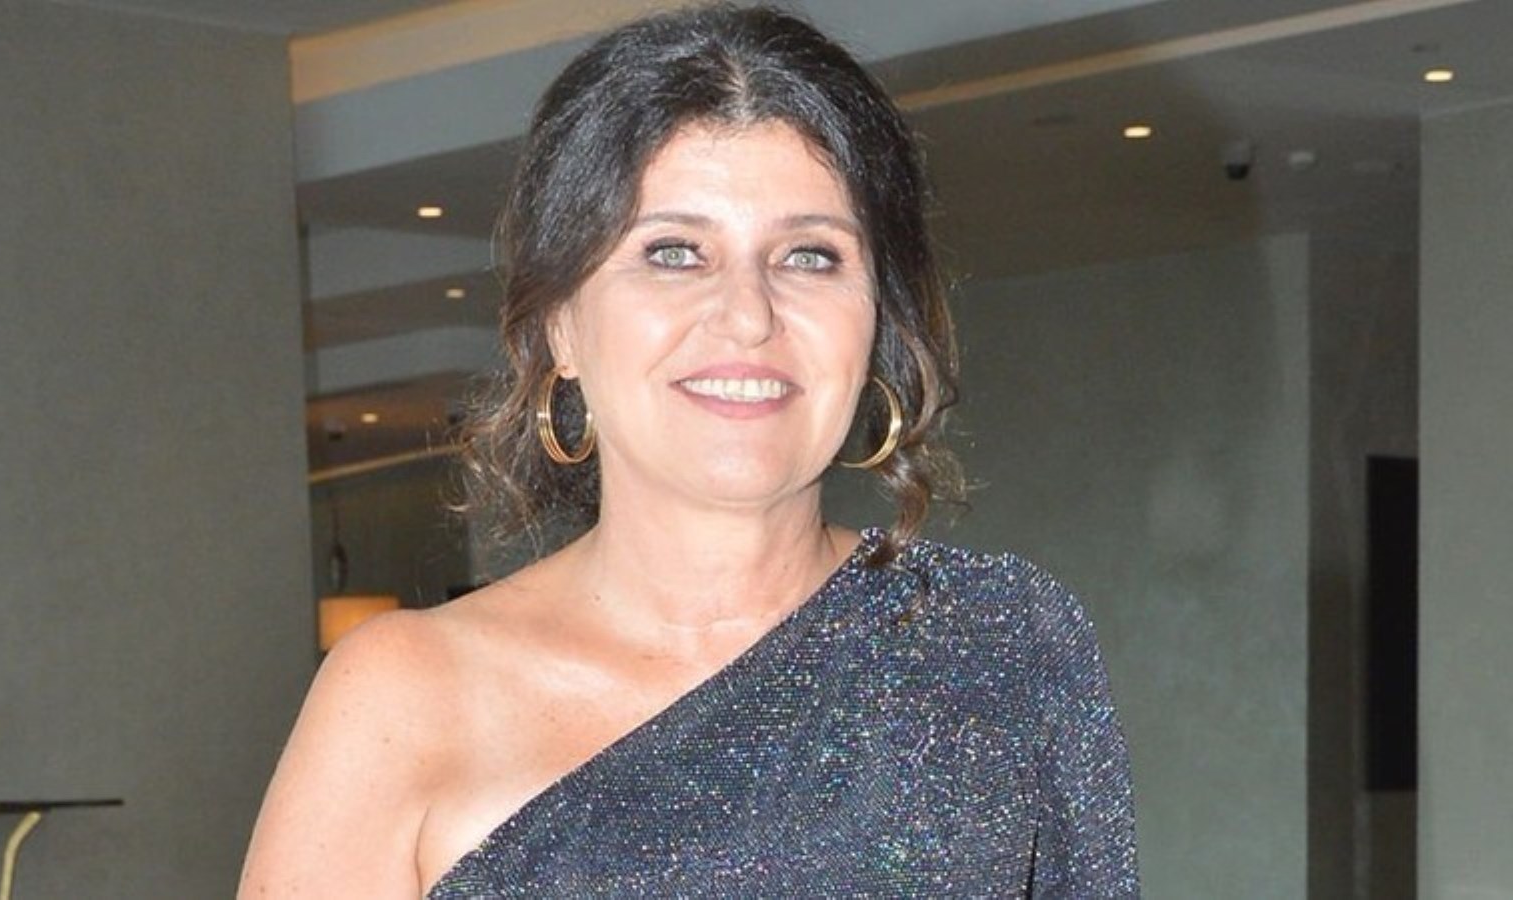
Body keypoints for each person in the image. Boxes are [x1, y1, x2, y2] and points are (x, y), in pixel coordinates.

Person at [240, 5, 1138, 897]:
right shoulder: (404, 695)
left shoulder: (1001, 643)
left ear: (880, 316)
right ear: (558, 323)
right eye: (674, 252)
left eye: (810, 256)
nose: (748, 315)